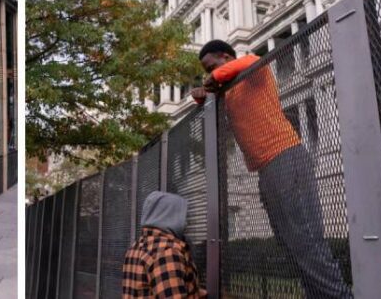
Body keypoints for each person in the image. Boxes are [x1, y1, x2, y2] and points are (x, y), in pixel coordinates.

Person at [190, 39, 352, 299]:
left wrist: (214, 80)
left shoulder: (253, 71)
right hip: (266, 171)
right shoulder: (228, 92)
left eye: (212, 67)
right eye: (207, 71)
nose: (210, 74)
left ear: (225, 56)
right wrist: (203, 96)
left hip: (286, 156)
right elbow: (210, 101)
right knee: (290, 245)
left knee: (307, 241)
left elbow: (252, 60)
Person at [122, 191, 206, 298]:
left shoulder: (135, 247)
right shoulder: (166, 252)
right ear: (167, 216)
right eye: (181, 217)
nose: (186, 223)